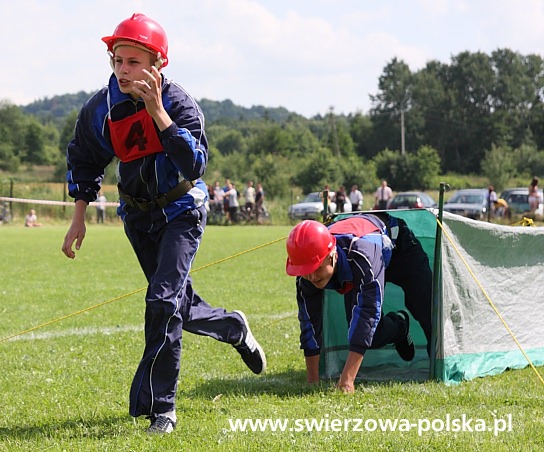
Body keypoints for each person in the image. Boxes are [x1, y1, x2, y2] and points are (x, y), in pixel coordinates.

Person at [60, 13, 266, 435]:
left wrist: (158, 113)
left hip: (181, 212)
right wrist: (78, 217)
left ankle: (162, 409)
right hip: (137, 217)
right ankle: (232, 326)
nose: (122, 70)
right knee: (174, 304)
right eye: (118, 60)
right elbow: (84, 157)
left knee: (161, 301)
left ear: (157, 64)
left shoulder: (179, 104)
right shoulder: (101, 107)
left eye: (133, 62)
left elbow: (195, 163)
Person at [285, 214, 433, 393]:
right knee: (372, 336)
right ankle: (399, 327)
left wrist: (347, 380)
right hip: (359, 263)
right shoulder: (307, 271)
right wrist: (312, 381)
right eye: (306, 271)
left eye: (316, 269)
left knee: (426, 309)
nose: (312, 276)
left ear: (332, 256)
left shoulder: (361, 254)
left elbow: (367, 314)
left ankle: (436, 365)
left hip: (400, 248)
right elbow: (309, 323)